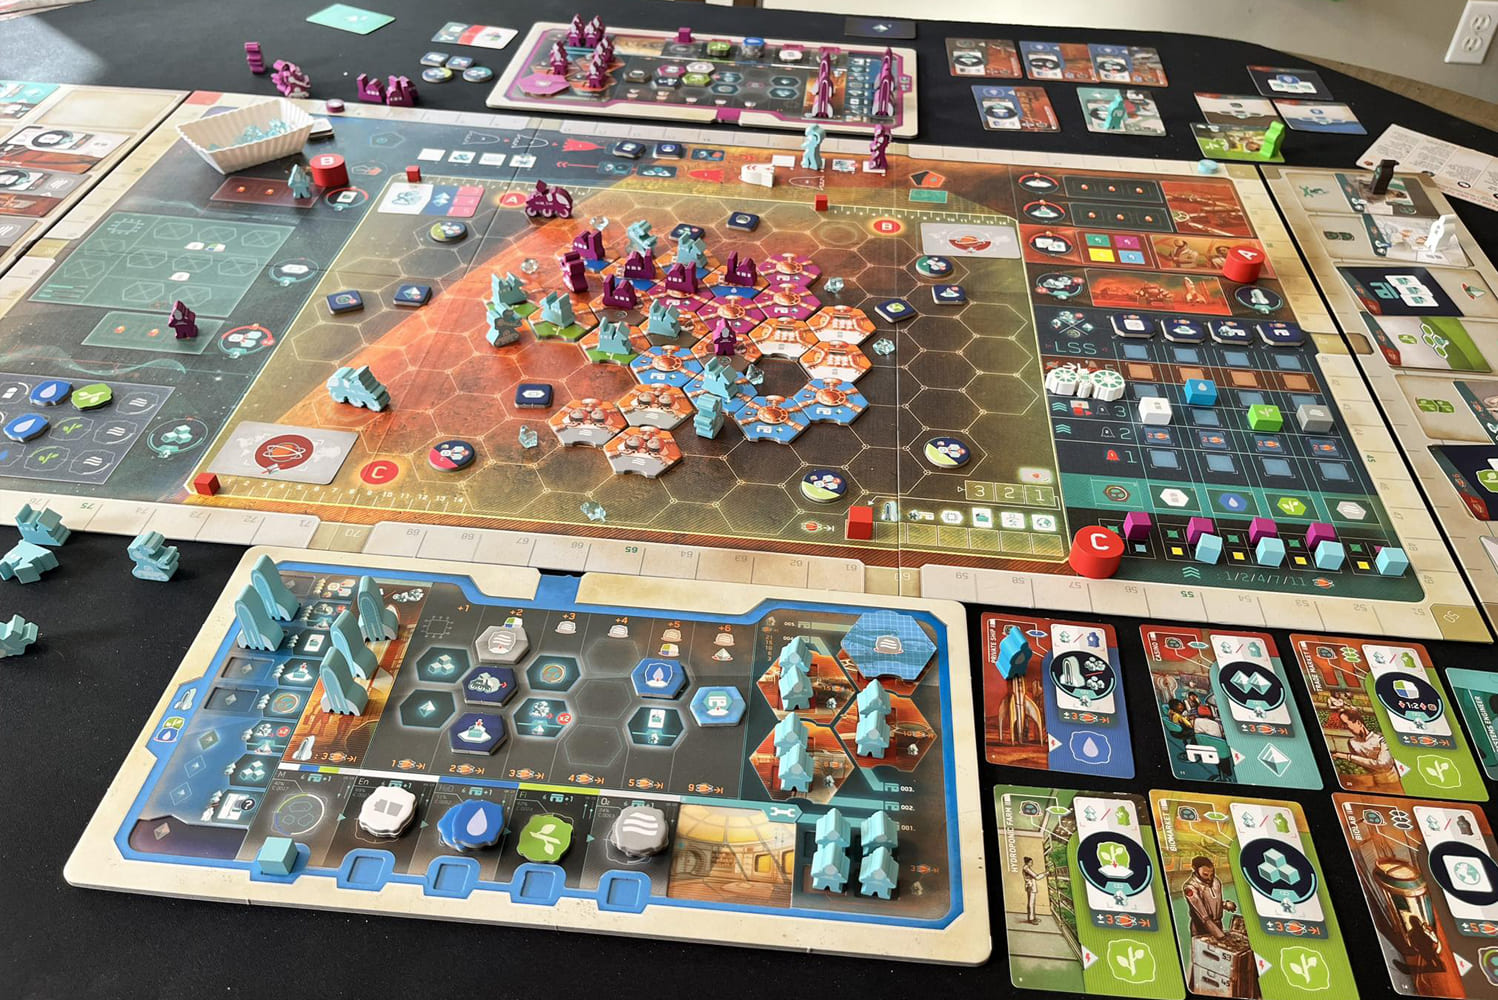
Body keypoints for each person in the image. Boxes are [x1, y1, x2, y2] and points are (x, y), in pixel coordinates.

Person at [1330, 708, 1396, 780]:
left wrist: (1348, 757)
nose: (1346, 727)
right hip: (1368, 780)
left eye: (1346, 724)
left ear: (1358, 723)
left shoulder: (1381, 739)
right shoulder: (1352, 742)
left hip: (1392, 779)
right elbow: (1359, 765)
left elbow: (1384, 764)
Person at [1182, 855, 1237, 940]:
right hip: (1201, 929)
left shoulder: (1216, 882)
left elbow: (1211, 902)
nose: (1209, 878)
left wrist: (1225, 904)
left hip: (1218, 924)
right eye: (1205, 874)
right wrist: (1220, 936)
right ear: (1195, 869)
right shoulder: (1190, 887)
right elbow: (1203, 915)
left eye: (1212, 874)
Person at [1022, 856, 1050, 923]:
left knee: (1031, 903)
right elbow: (1036, 877)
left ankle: (1032, 917)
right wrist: (1045, 874)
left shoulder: (1026, 868)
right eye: (1031, 862)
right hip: (1031, 887)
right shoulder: (1026, 869)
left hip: (1030, 886)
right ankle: (1031, 919)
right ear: (1027, 862)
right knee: (1031, 903)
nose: (1032, 863)